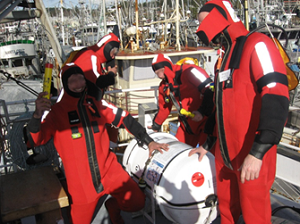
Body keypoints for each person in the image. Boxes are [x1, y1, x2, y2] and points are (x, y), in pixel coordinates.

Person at [24, 63, 169, 224]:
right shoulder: (55, 112)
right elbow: (36, 140)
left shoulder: (96, 104)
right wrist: (37, 115)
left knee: (137, 202)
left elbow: (125, 118)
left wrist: (149, 142)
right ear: (65, 84)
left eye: (81, 79)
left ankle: (112, 208)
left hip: (109, 171)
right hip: (80, 183)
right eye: (72, 81)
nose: (78, 84)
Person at [189, 0, 290, 223]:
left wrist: (259, 151)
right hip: (225, 156)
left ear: (220, 17)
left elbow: (277, 94)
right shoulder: (224, 58)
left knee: (255, 215)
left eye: (203, 23)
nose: (201, 29)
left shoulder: (258, 44)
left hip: (250, 155)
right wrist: (208, 143)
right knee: (225, 210)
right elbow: (222, 106)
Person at [148, 53, 214, 147]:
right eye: (157, 73)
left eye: (162, 70)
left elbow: (210, 89)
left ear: (168, 66)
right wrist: (156, 125)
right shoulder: (164, 87)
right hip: (186, 126)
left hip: (205, 122)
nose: (160, 75)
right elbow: (164, 108)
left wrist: (202, 112)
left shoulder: (190, 71)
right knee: (177, 151)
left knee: (207, 156)